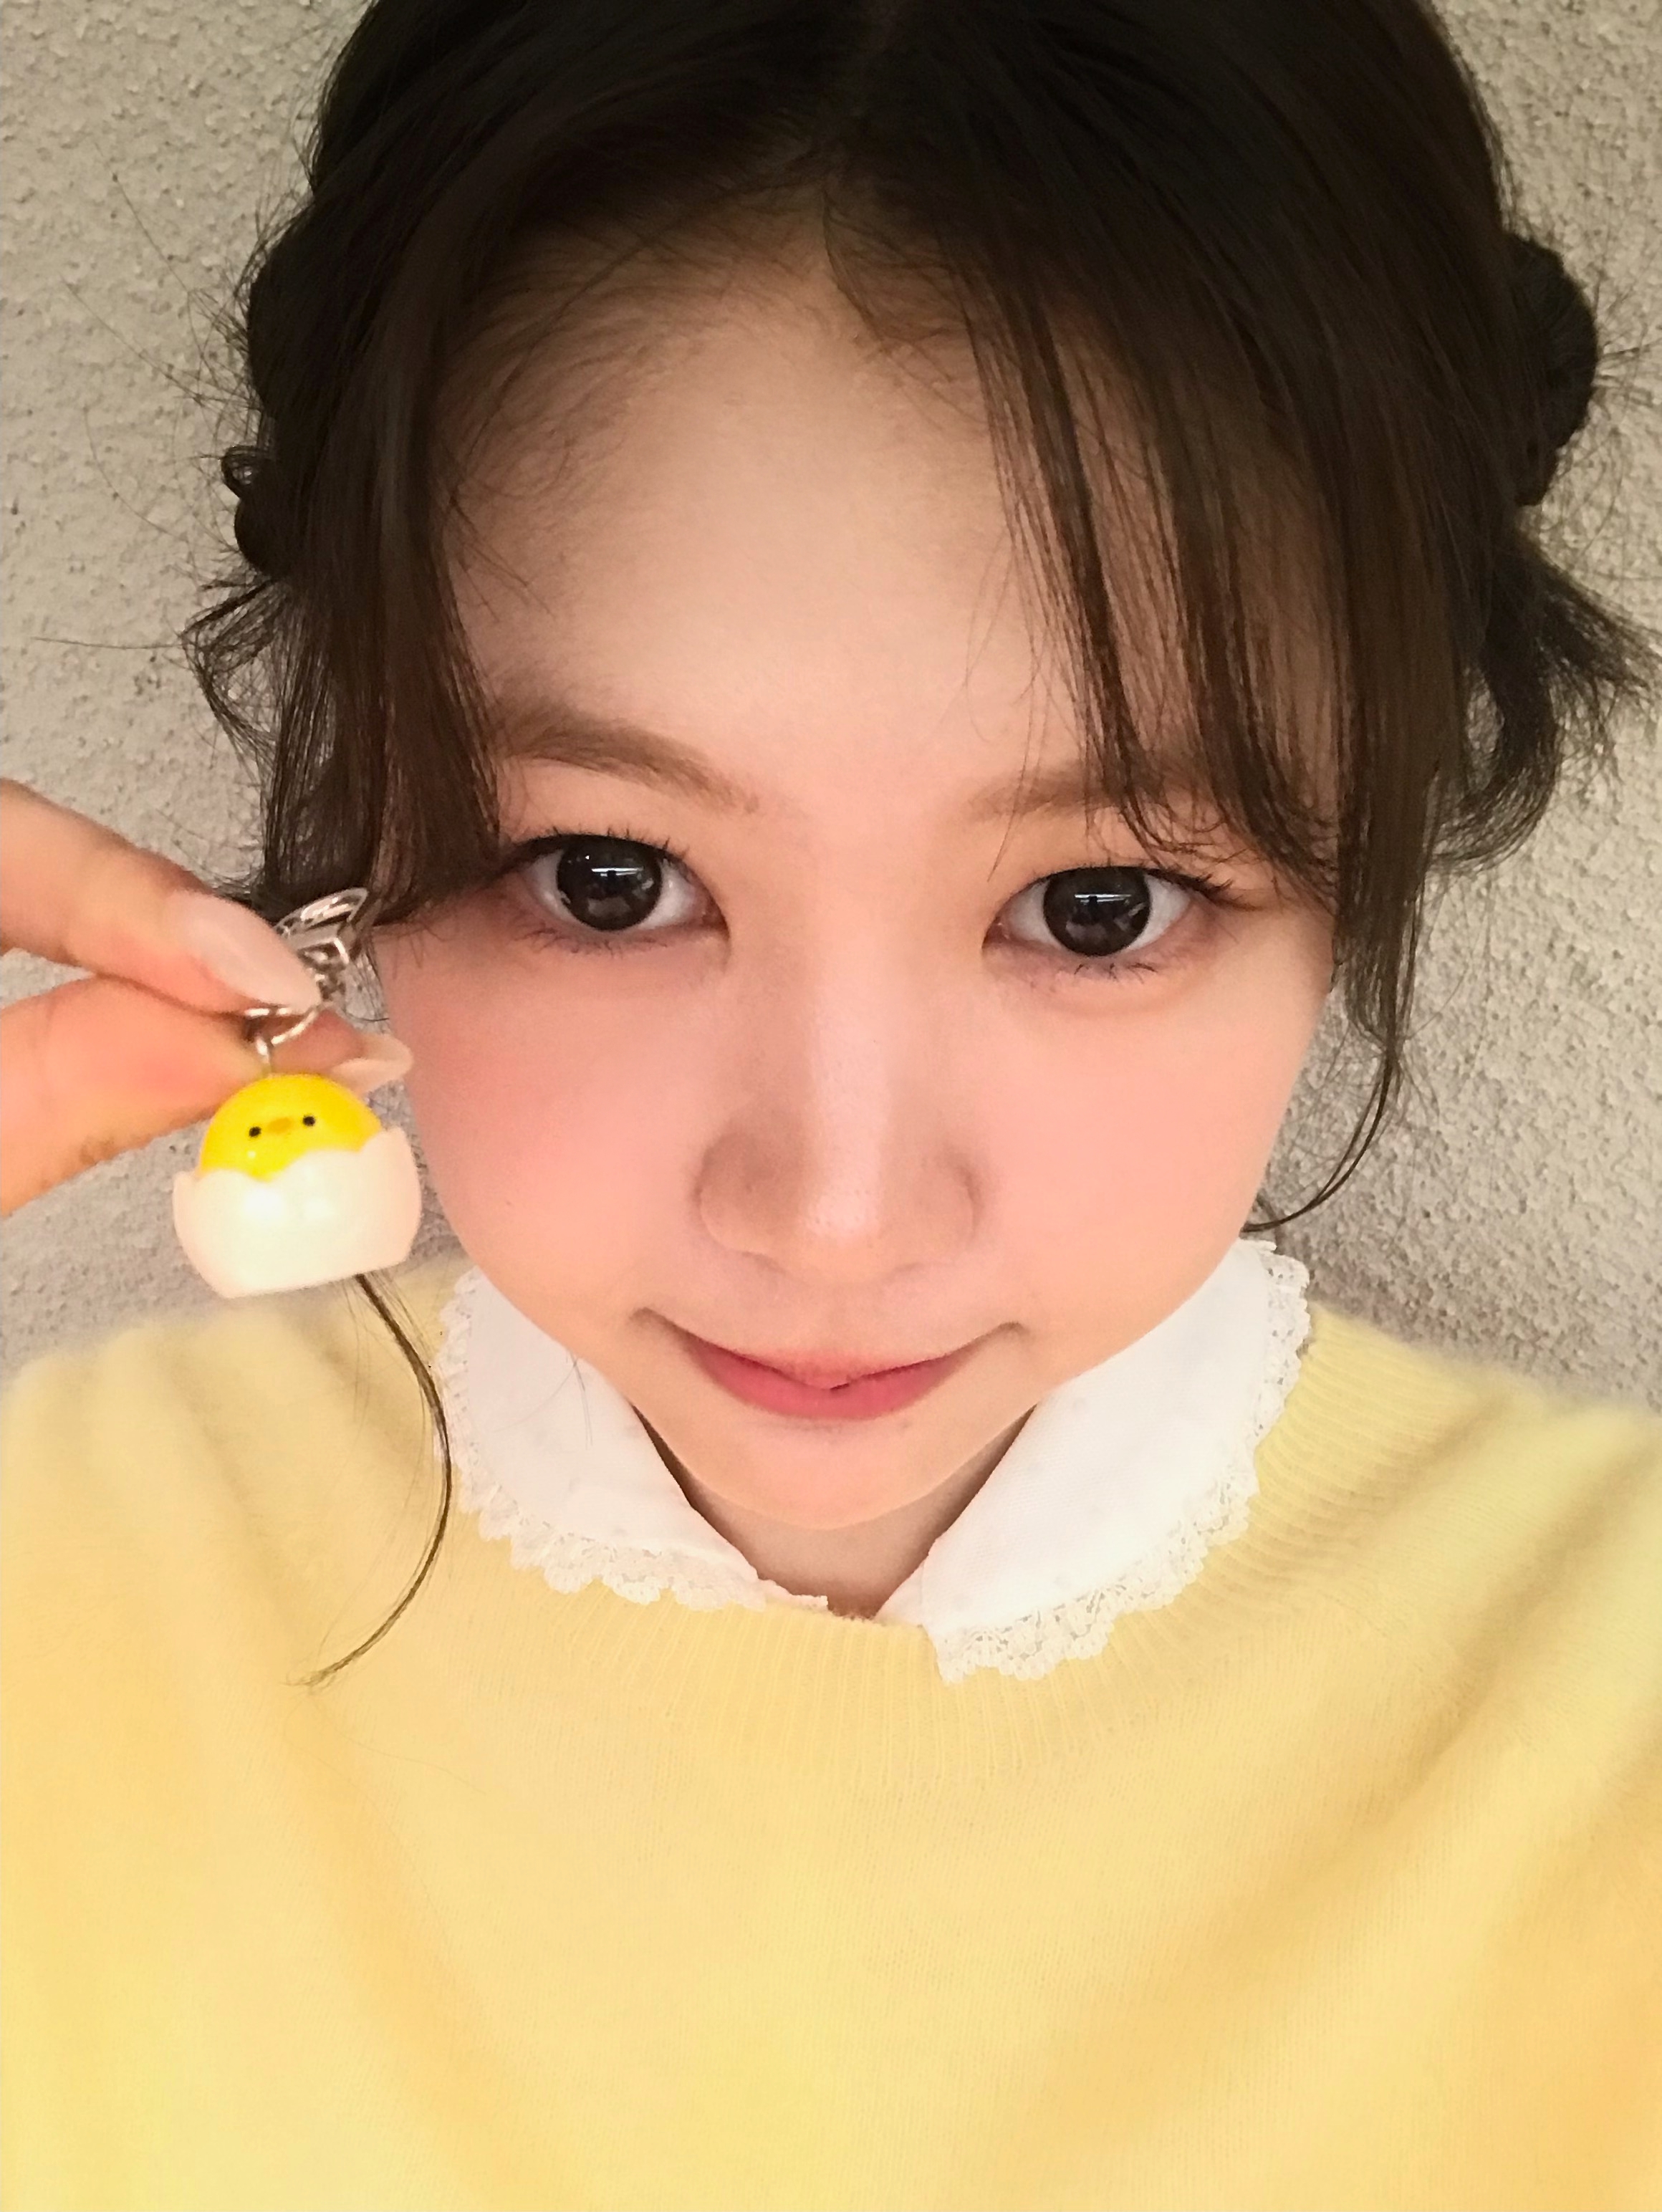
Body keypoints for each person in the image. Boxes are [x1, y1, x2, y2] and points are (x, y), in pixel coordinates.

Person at [4, 0, 1659, 2204]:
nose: (836, 1215)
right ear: (360, 828)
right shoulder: (66, 1571)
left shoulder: (1612, 1713)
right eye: (610, 878)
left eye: (1096, 905)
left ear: (1362, 853)